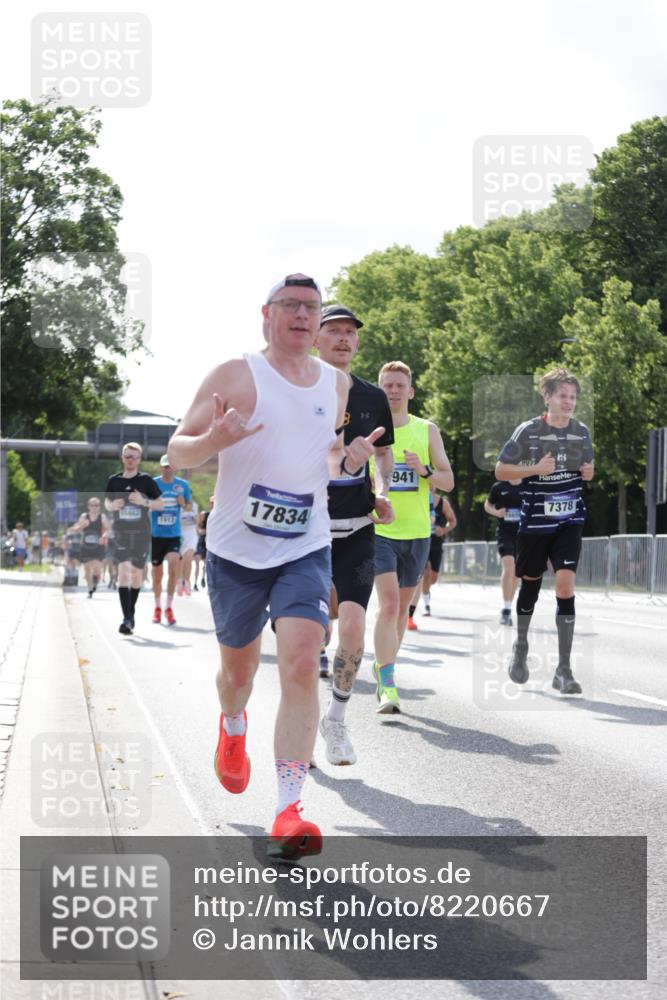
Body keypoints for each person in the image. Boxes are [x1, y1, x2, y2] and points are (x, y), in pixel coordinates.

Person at [167, 273, 383, 858]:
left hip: (305, 546)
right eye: (291, 305)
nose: (303, 315)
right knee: (238, 675)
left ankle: (289, 810)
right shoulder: (235, 375)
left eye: (312, 307)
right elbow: (176, 450)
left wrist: (351, 460)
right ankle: (232, 727)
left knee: (297, 662)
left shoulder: (335, 386)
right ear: (266, 314)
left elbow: (327, 457)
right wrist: (213, 437)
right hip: (237, 549)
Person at [314, 304, 395, 765]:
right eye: (334, 332)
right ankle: (300, 724)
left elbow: (383, 457)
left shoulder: (372, 396)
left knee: (354, 625)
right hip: (307, 530)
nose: (343, 339)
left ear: (358, 343)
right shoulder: (299, 393)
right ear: (316, 340)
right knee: (308, 635)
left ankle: (337, 721)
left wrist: (380, 489)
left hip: (357, 527)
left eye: (350, 333)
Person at [495, 367, 594, 695]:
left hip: (569, 521)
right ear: (548, 397)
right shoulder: (528, 431)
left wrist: (589, 471)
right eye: (563, 396)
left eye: (573, 397)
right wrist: (536, 469)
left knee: (566, 587)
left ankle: (564, 670)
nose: (569, 402)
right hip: (535, 524)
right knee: (531, 588)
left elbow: (587, 473)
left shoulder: (581, 432)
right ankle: (520, 645)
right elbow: (501, 470)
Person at [370, 361, 454, 713]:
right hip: (380, 531)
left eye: (399, 385)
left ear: (410, 391)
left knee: (402, 610)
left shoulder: (426, 430)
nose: (393, 391)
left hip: (418, 533)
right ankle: (388, 685)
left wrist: (424, 470)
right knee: (388, 605)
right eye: (387, 385)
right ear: (379, 390)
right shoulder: (370, 430)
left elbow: (447, 482)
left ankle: (383, 666)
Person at [105, 442, 162, 635]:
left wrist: (144, 501)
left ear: (139, 459)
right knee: (123, 572)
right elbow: (107, 502)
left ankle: (131, 612)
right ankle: (126, 618)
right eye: (127, 456)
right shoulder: (114, 480)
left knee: (136, 576)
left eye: (134, 457)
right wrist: (112, 506)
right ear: (122, 458)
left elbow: (160, 504)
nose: (130, 460)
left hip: (141, 533)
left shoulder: (146, 480)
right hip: (120, 532)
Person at [151, 455, 193, 625]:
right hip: (157, 535)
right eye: (164, 466)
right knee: (157, 576)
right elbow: (145, 502)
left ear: (175, 468)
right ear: (161, 468)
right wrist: (153, 504)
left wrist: (183, 504)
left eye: (170, 466)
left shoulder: (183, 485)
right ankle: (157, 607)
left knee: (173, 568)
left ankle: (169, 607)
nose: (167, 469)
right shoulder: (153, 484)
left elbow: (189, 506)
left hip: (174, 534)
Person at [408, 489, 457, 625]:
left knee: (432, 578)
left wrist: (444, 530)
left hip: (436, 544)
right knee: (424, 572)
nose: (430, 484)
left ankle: (425, 594)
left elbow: (452, 521)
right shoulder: (416, 497)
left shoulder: (443, 503)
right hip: (420, 541)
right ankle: (421, 606)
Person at [484, 478, 522, 625]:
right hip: (505, 533)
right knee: (509, 567)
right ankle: (506, 609)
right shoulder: (499, 486)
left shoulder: (527, 484)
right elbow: (487, 505)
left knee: (516, 574)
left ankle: (508, 606)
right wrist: (496, 512)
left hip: (522, 535)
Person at [72, 498, 110, 597]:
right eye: (92, 505)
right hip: (86, 546)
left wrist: (104, 536)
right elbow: (75, 529)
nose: (94, 507)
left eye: (97, 505)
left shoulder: (102, 517)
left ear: (99, 507)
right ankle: (90, 590)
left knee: (97, 569)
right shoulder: (84, 516)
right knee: (87, 569)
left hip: (98, 546)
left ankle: (95, 582)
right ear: (88, 506)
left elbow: (108, 529)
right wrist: (82, 526)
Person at [178, 498, 200, 595]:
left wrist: (192, 512)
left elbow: (197, 521)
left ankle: (187, 583)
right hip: (181, 535)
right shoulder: (178, 505)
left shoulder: (194, 505)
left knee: (188, 559)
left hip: (191, 535)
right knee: (181, 562)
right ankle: (180, 583)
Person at [193, 496, 213, 590]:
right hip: (200, 541)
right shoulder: (204, 514)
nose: (213, 505)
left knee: (205, 564)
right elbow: (197, 526)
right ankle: (195, 583)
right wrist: (201, 531)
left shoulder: (218, 515)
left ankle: (203, 579)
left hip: (209, 543)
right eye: (212, 503)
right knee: (197, 563)